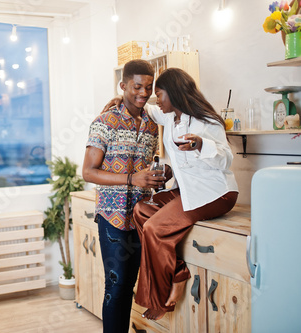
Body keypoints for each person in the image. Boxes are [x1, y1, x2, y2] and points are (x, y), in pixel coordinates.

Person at [104, 67, 239, 321]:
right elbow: (145, 107)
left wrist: (200, 144)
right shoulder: (169, 117)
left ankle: (160, 299)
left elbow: (227, 160)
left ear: (174, 94)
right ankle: (178, 273)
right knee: (141, 210)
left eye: (158, 95)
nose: (155, 100)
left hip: (214, 194)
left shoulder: (206, 122)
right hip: (186, 190)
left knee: (155, 228)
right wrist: (121, 99)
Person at [82, 59, 171, 333]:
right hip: (113, 219)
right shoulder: (104, 122)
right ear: (123, 86)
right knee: (117, 285)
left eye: (148, 87)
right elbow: (88, 172)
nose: (143, 93)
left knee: (131, 284)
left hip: (142, 218)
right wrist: (133, 178)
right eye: (136, 87)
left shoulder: (151, 123)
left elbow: (147, 168)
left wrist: (159, 176)